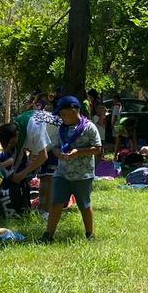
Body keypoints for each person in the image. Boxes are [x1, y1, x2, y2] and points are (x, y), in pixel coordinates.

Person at [42, 96, 102, 242]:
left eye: (64, 114)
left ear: (75, 110)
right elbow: (54, 146)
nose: (62, 118)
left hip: (83, 175)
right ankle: (48, 235)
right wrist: (58, 154)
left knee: (84, 205)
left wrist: (78, 152)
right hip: (62, 173)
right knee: (56, 203)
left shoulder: (89, 127)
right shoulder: (61, 128)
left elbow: (98, 149)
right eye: (61, 115)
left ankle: (90, 234)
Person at [1, 99, 52, 215]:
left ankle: (47, 212)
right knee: (43, 176)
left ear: (17, 135)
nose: (13, 145)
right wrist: (12, 174)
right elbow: (19, 154)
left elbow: (43, 156)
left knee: (50, 177)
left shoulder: (33, 127)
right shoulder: (17, 124)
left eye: (13, 143)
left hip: (57, 141)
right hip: (47, 144)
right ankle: (41, 208)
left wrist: (22, 174)